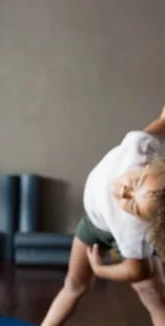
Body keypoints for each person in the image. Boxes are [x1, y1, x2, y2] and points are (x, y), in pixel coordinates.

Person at [42, 105, 165, 326]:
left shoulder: (135, 232)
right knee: (74, 284)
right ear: (147, 166)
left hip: (120, 236)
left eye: (135, 206)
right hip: (93, 224)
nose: (124, 193)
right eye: (135, 183)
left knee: (152, 293)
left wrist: (101, 270)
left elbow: (138, 270)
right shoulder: (139, 149)